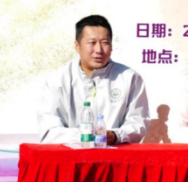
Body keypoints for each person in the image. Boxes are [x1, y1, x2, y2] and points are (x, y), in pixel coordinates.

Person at [38, 15, 150, 145]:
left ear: (111, 46)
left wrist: (115, 135)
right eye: (92, 43)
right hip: (70, 155)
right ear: (77, 46)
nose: (99, 50)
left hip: (115, 154)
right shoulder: (57, 80)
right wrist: (86, 136)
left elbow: (138, 122)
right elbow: (49, 130)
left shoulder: (130, 78)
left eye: (105, 42)